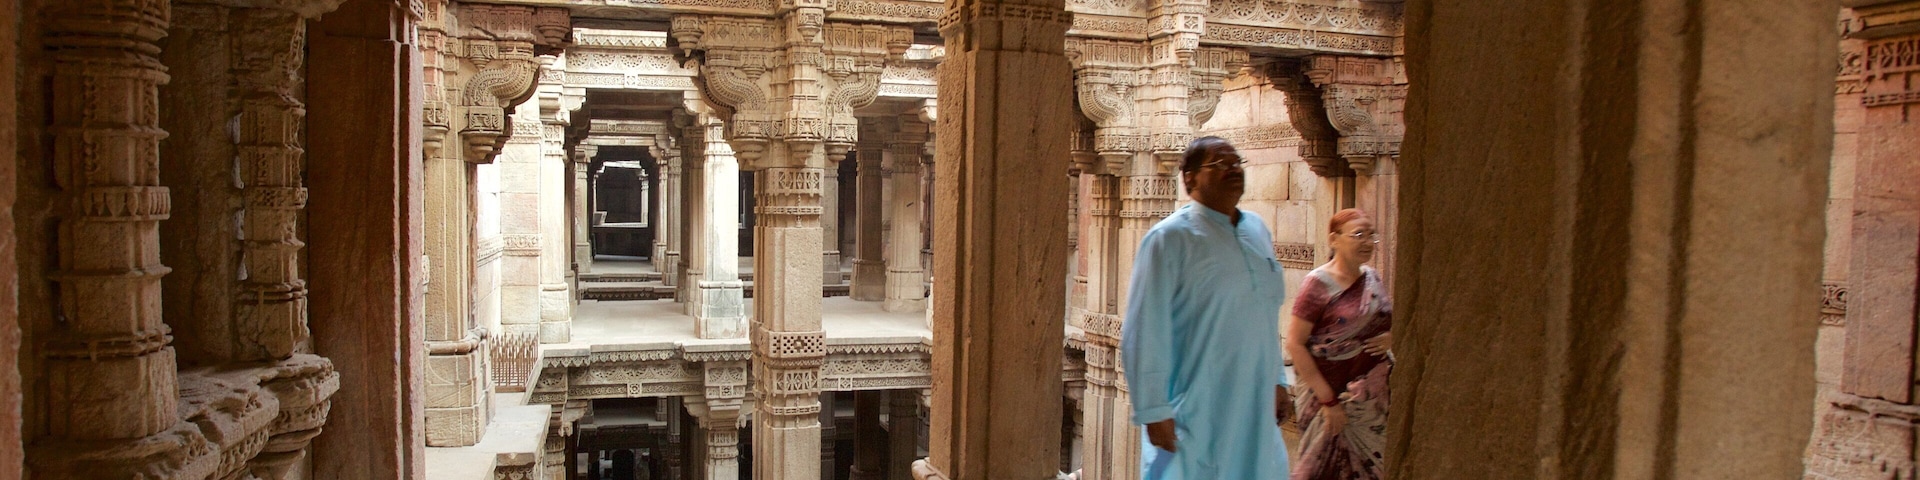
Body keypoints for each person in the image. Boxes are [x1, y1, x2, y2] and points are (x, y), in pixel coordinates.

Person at [1121, 136, 1291, 479]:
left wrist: (1277, 379)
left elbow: (1264, 314)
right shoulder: (1168, 240)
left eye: (1236, 163)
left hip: (1255, 408)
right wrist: (1154, 410)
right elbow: (1143, 331)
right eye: (1219, 164)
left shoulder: (1256, 231)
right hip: (1196, 408)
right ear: (1189, 179)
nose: (1233, 170)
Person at [1286, 208, 1392, 479]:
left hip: (1371, 401)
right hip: (1330, 398)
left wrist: (1392, 338)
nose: (1367, 242)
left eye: (1372, 236)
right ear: (1334, 239)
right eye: (1359, 235)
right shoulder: (1317, 284)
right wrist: (1329, 402)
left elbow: (1388, 322)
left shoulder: (1372, 278)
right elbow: (1295, 344)